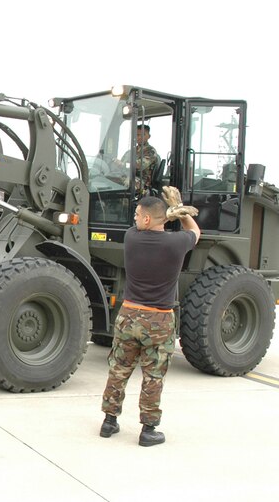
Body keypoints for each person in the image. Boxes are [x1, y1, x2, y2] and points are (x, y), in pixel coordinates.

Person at [99, 187, 200, 447]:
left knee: (119, 369)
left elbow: (152, 222)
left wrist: (168, 214)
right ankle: (148, 430)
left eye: (137, 214)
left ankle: (109, 422)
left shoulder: (131, 238)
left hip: (128, 315)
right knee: (153, 375)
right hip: (159, 319)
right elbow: (195, 233)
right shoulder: (176, 244)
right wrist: (180, 211)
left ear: (146, 220)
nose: (134, 219)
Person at [113, 123, 160, 195]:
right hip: (127, 175)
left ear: (148, 136)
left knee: (128, 182)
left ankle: (126, 204)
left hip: (141, 180)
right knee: (108, 179)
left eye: (143, 135)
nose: (139, 137)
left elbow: (140, 165)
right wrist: (117, 164)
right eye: (137, 135)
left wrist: (124, 165)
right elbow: (121, 166)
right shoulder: (130, 152)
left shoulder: (150, 151)